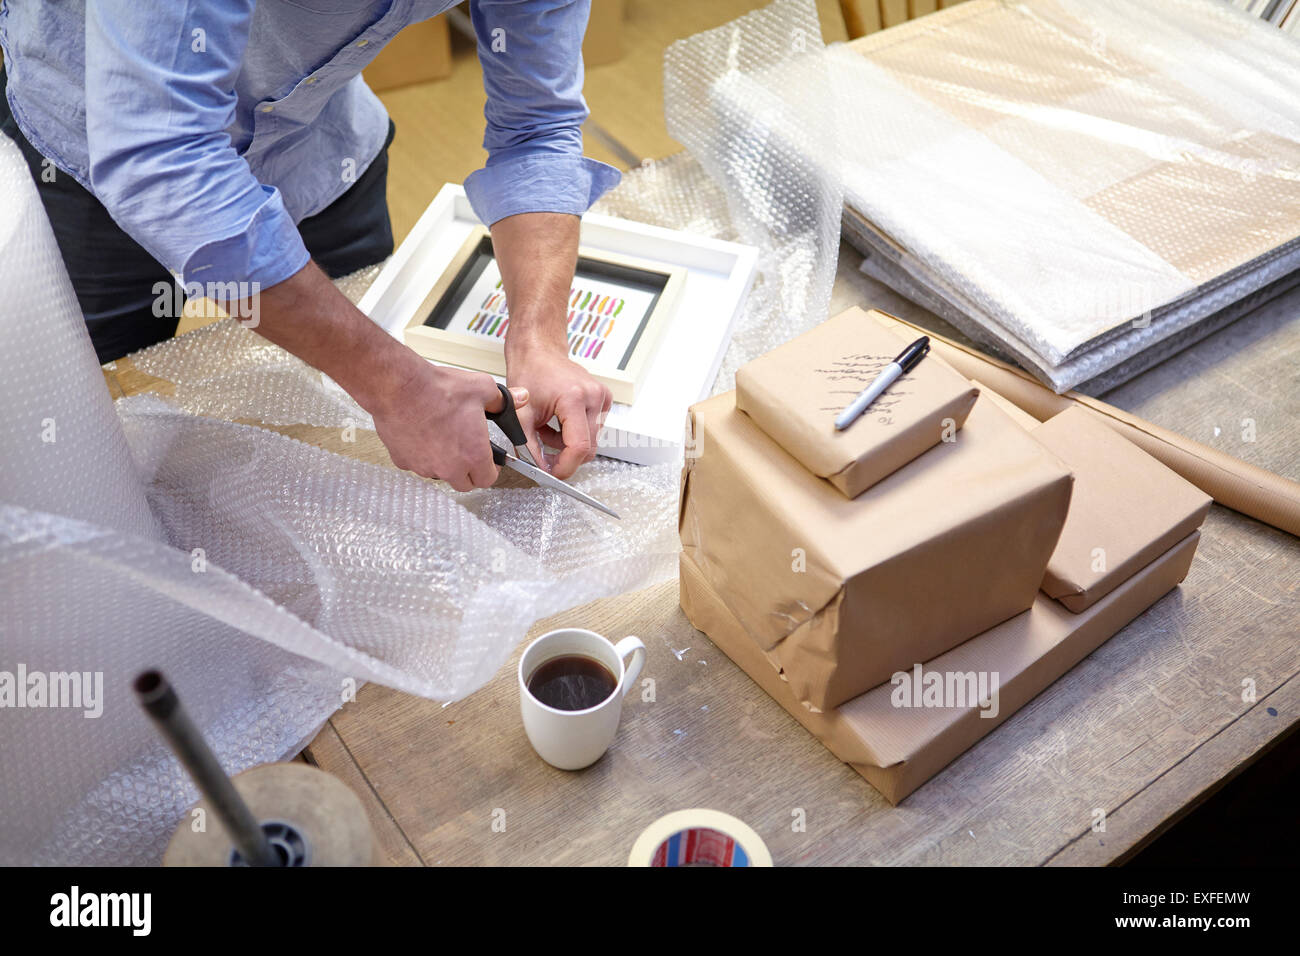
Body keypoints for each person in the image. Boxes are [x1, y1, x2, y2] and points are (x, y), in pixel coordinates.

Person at [0, 0, 619, 490]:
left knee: (360, 426)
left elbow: (537, 128)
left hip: (316, 141)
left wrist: (539, 339)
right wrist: (400, 388)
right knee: (92, 435)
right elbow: (161, 160)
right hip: (91, 160)